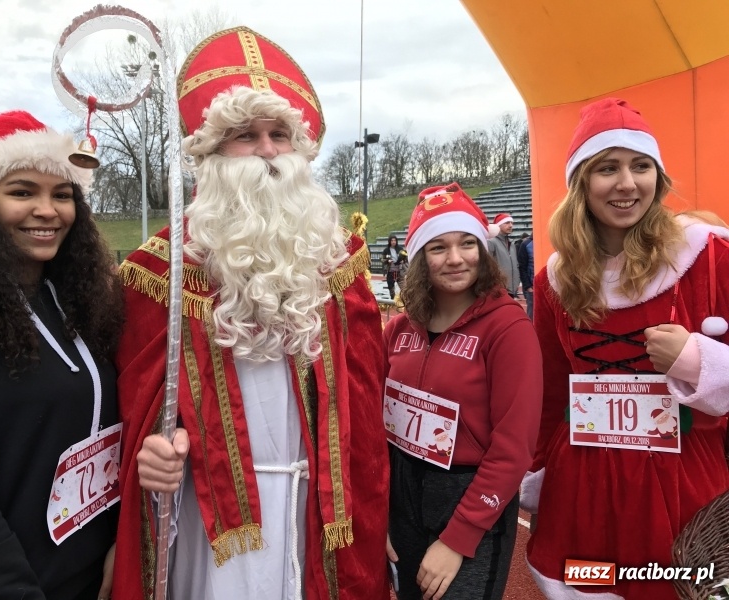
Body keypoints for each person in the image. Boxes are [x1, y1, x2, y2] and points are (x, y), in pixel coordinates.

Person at [113, 26, 390, 600]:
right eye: (244, 135)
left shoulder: (338, 263)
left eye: (278, 134)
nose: (267, 150)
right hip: (210, 517)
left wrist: (366, 506)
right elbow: (133, 409)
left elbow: (363, 404)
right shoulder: (158, 272)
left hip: (315, 503)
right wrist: (151, 455)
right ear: (211, 154)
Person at [522, 97, 729, 600]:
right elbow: (550, 391)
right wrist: (536, 471)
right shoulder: (554, 282)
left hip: (683, 482)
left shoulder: (708, 255)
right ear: (580, 183)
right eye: (607, 168)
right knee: (590, 584)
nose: (627, 183)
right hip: (583, 486)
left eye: (641, 166)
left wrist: (701, 361)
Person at [0, 111, 123, 599]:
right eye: (21, 192)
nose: (47, 210)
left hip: (91, 576)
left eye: (63, 194)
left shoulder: (83, 299)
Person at [384, 183, 542, 600]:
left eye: (468, 244)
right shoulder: (398, 330)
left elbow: (514, 447)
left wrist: (460, 537)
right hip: (401, 494)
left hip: (469, 495)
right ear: (420, 257)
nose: (455, 259)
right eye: (438, 247)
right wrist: (377, 511)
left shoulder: (507, 329)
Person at [487, 213, 520, 297]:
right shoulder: (491, 242)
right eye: (507, 223)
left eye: (512, 223)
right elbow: (487, 265)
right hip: (499, 288)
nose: (511, 225)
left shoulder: (512, 244)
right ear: (498, 226)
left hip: (512, 288)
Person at [381, 234, 408, 299]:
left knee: (404, 288)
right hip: (390, 271)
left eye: (394, 240)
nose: (393, 242)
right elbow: (382, 259)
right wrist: (387, 261)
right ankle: (393, 300)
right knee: (391, 288)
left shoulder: (400, 249)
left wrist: (403, 261)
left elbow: (406, 258)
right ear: (389, 241)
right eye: (392, 240)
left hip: (399, 271)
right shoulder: (386, 250)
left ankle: (405, 301)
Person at [517, 233, 534, 320]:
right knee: (532, 313)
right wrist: (528, 286)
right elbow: (522, 267)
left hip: (547, 285)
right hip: (532, 286)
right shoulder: (526, 244)